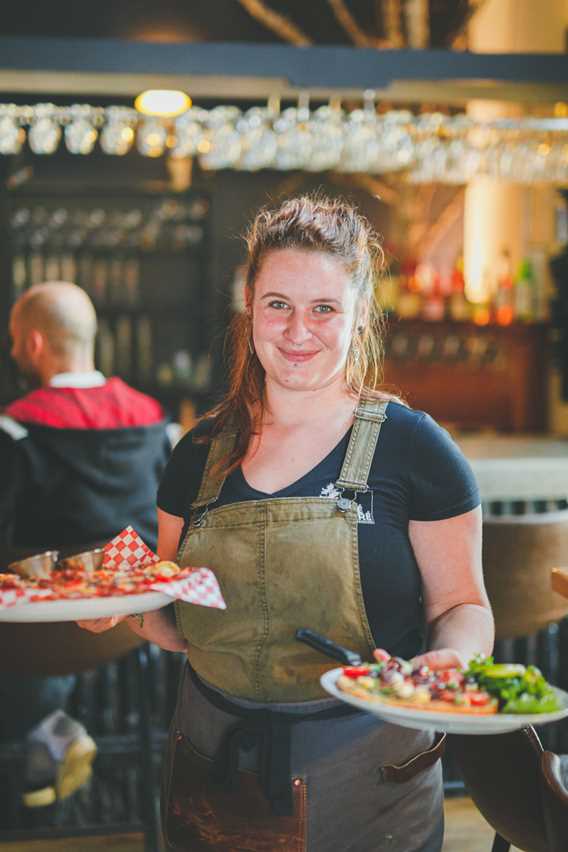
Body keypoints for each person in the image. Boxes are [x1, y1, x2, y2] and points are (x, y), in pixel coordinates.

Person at [80, 195, 494, 851]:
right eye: (279, 305)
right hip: (214, 770)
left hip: (369, 777)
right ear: (250, 308)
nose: (299, 330)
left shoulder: (415, 449)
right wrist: (119, 601)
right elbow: (173, 621)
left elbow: (465, 604)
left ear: (359, 317)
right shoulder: (197, 453)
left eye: (324, 308)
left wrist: (453, 658)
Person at [0, 281, 171, 809]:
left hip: (35, 639)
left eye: (12, 341)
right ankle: (74, 731)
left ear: (32, 343)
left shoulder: (15, 431)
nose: (10, 352)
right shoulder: (158, 423)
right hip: (137, 629)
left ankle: (48, 734)